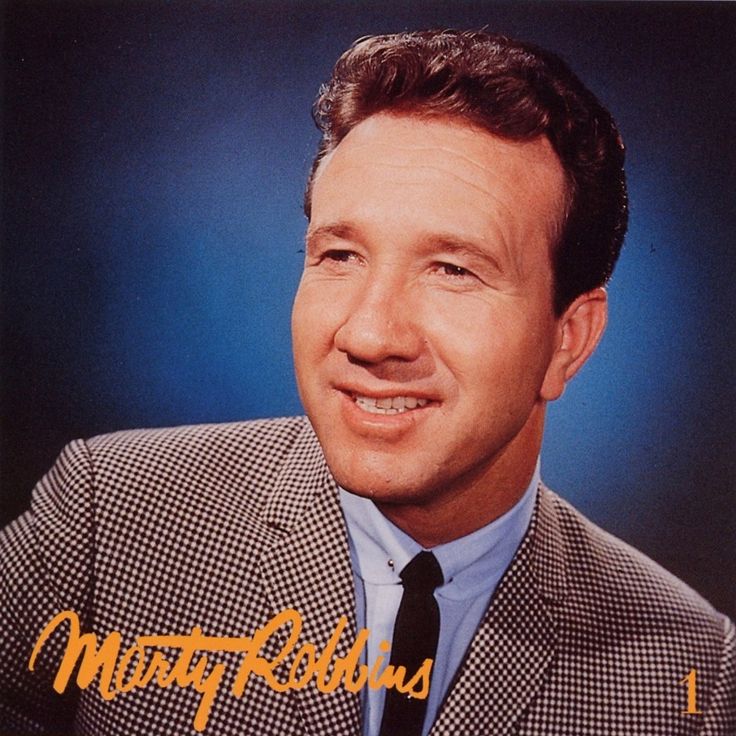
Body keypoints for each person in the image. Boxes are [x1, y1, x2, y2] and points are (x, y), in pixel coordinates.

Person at [1, 29, 733, 736]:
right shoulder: (111, 519)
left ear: (567, 341)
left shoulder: (691, 676)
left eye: (453, 270)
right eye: (341, 255)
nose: (369, 335)